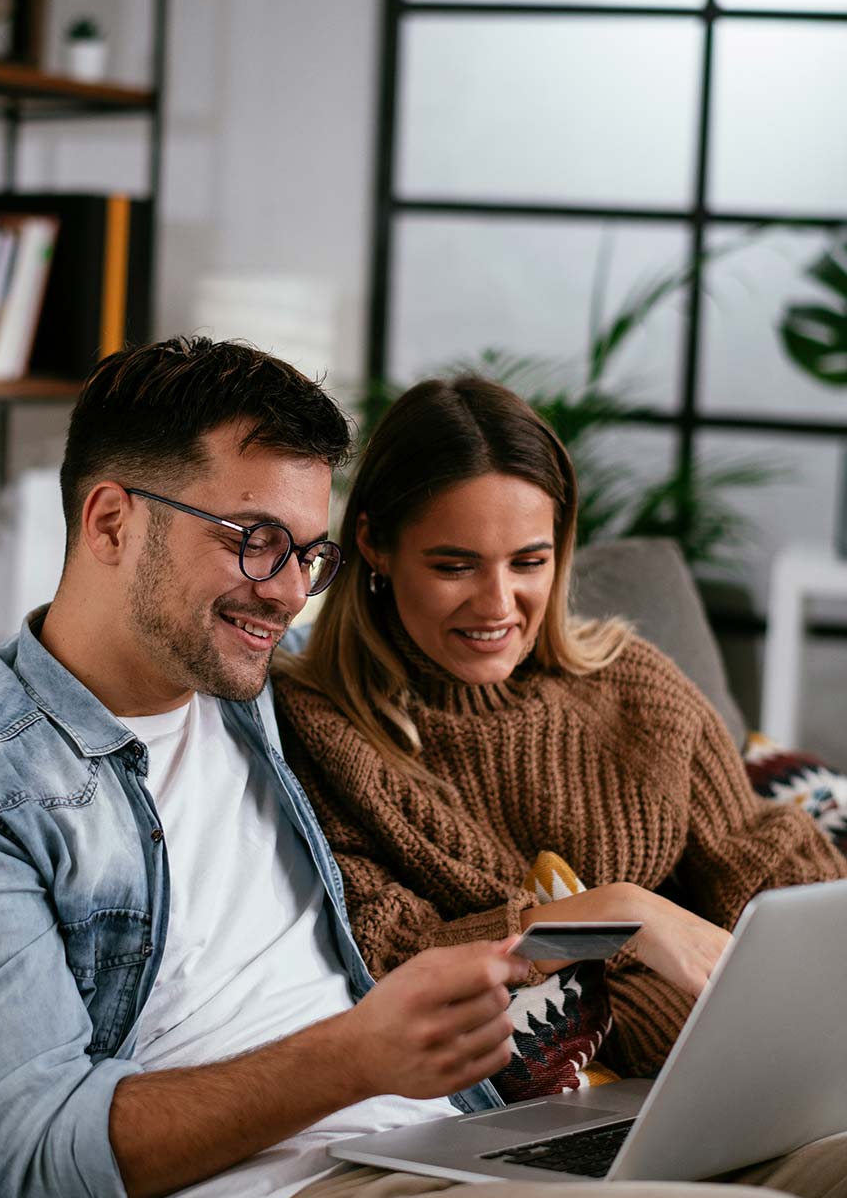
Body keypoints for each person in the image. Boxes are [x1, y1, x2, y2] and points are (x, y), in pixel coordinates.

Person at [0, 341, 847, 1198]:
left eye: (308, 552)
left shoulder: (261, 703)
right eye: (253, 540)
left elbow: (462, 676)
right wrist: (358, 1057)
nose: (286, 593)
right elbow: (41, 1170)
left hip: (438, 1147)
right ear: (111, 520)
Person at [273, 375, 847, 1082]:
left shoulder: (633, 685)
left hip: (756, 1068)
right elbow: (393, 955)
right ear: (374, 546)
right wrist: (617, 915)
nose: (498, 604)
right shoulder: (316, 729)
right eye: (454, 565)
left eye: (529, 562)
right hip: (567, 1104)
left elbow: (759, 861)